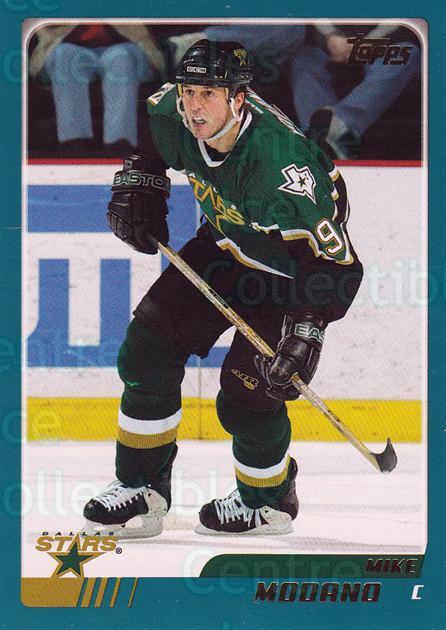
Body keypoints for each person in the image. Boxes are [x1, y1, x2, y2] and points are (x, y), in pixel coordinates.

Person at [83, 40, 363, 538]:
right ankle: (141, 489)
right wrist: (142, 177)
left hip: (290, 275)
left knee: (248, 394)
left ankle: (268, 503)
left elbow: (337, 264)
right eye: (190, 91)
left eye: (208, 94)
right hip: (224, 247)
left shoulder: (283, 168)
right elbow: (154, 139)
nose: (194, 106)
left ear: (238, 97)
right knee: (146, 353)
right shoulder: (172, 109)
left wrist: (306, 331)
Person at [29, 24, 165, 154]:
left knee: (121, 57)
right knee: (64, 55)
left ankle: (120, 141)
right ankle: (73, 140)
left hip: (126, 45)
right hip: (68, 46)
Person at [290, 24, 421, 158]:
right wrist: (330, 37)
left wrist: (369, 42)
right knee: (304, 59)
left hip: (385, 44)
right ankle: (316, 141)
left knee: (406, 53)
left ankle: (340, 127)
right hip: (331, 45)